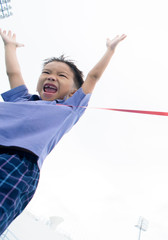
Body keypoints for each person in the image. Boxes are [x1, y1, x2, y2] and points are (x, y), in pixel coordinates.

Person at [0, 29, 126, 235]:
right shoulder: (22, 99)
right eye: (46, 72)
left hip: (17, 162)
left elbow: (93, 77)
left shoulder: (69, 109)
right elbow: (13, 73)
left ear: (73, 92)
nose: (51, 77)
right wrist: (9, 46)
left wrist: (110, 50)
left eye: (61, 75)